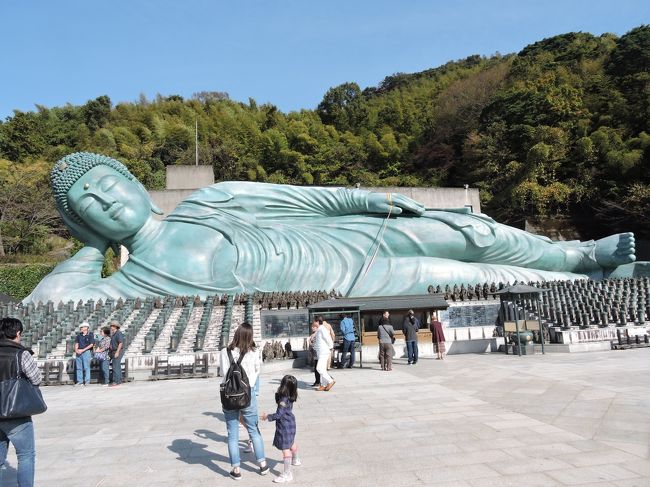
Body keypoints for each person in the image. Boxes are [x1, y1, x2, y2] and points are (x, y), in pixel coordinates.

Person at [25, 152, 639, 304]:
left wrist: (371, 201)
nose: (107, 202)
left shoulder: (212, 198)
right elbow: (49, 302)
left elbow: (308, 198)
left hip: (343, 238)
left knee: (467, 231)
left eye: (109, 184)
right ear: (80, 220)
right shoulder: (135, 279)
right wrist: (90, 249)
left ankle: (581, 254)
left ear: (134, 181)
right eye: (89, 205)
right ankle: (594, 278)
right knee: (472, 275)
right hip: (352, 280)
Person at [219, 323, 269, 480]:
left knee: (232, 434)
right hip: (248, 395)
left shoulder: (224, 352)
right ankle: (263, 465)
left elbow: (222, 373)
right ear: (250, 336)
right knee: (253, 429)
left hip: (229, 397)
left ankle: (236, 469)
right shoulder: (254, 352)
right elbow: (257, 371)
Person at [0, 317, 42, 487]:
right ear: (18, 333)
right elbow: (36, 378)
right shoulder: (21, 354)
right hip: (15, 411)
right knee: (25, 455)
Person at [260, 375, 301, 483]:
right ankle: (296, 459)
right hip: (291, 423)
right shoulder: (291, 395)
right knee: (291, 443)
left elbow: (278, 414)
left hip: (284, 426)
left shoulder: (283, 399)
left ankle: (287, 474)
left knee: (285, 450)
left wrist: (267, 417)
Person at [313, 317, 335, 391]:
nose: (313, 323)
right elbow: (319, 341)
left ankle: (330, 381)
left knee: (319, 368)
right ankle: (323, 385)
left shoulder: (322, 329)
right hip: (321, 352)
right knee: (322, 369)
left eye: (314, 322)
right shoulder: (319, 329)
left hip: (324, 352)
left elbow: (328, 338)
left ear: (317, 322)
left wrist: (330, 347)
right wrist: (315, 347)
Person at [74, 322, 94, 386]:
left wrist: (83, 350)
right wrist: (76, 350)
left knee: (86, 367)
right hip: (79, 352)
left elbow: (91, 344)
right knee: (79, 367)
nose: (81, 328)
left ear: (86, 328)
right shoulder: (79, 335)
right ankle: (80, 381)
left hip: (86, 352)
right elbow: (76, 343)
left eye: (82, 327)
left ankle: (87, 381)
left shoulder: (90, 334)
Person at [108, 322, 124, 387]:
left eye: (112, 325)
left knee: (115, 366)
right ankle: (119, 380)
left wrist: (117, 352)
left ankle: (116, 381)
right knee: (116, 365)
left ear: (115, 326)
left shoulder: (118, 333)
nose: (111, 327)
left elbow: (120, 343)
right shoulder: (113, 334)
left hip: (118, 351)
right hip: (113, 351)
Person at [308, 321, 320, 387]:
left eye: (314, 327)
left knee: (317, 368)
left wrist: (310, 342)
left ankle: (318, 381)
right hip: (315, 354)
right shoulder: (314, 334)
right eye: (312, 327)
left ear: (317, 327)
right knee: (316, 368)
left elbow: (316, 344)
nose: (312, 328)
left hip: (317, 354)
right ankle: (317, 381)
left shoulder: (317, 334)